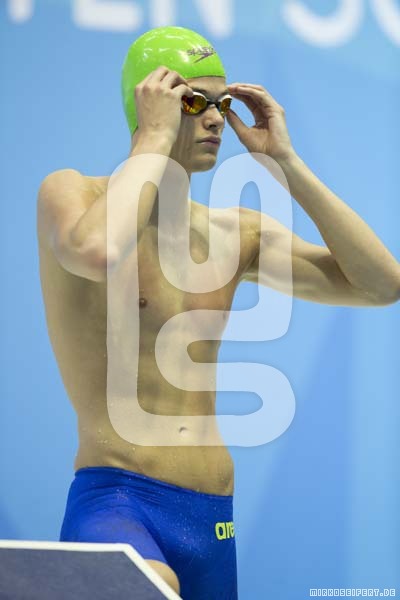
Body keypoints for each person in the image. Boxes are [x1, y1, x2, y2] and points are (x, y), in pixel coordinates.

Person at [37, 26, 400, 600]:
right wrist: (152, 140)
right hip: (119, 504)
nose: (215, 119)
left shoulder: (234, 235)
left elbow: (381, 286)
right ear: (147, 103)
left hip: (213, 521)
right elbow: (98, 252)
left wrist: (286, 163)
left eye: (221, 103)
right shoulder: (73, 195)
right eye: (192, 102)